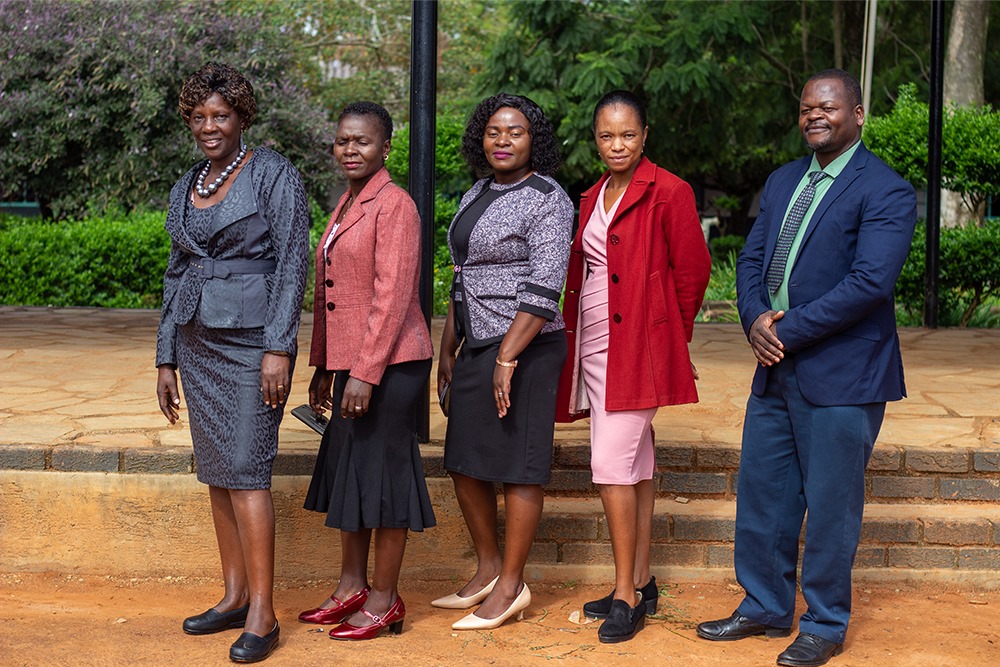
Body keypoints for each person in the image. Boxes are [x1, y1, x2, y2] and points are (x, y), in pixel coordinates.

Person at [696, 69, 916, 667]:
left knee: (830, 503)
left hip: (843, 374)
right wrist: (752, 320)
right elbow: (753, 260)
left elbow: (870, 283)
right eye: (806, 108)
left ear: (859, 115)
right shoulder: (783, 179)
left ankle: (823, 621)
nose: (815, 116)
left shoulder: (886, 190)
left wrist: (785, 329)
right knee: (764, 495)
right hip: (775, 367)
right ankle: (765, 604)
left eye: (829, 107)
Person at [155, 62, 310, 663]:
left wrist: (279, 346)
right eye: (198, 117)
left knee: (246, 468)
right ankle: (233, 595)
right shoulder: (187, 182)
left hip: (251, 344)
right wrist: (165, 355)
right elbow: (176, 272)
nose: (209, 126)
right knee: (217, 471)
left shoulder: (273, 173)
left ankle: (264, 614)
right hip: (195, 340)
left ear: (242, 116)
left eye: (220, 115)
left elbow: (294, 261)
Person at [555, 90, 711, 644]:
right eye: (606, 135)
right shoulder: (591, 195)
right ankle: (641, 581)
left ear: (645, 135)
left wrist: (667, 339)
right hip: (594, 347)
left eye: (627, 134)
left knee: (608, 466)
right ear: (595, 139)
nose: (616, 144)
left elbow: (693, 273)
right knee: (636, 463)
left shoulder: (669, 191)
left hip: (637, 353)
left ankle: (624, 595)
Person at [433, 93, 573, 630]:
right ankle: (488, 567)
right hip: (477, 344)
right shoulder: (478, 191)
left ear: (533, 138)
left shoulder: (548, 199)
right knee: (463, 460)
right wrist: (449, 346)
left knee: (518, 467)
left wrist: (508, 357)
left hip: (528, 347)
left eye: (515, 131)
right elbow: (462, 274)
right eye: (494, 132)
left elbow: (544, 288)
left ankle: (513, 584)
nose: (503, 140)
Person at [299, 101, 435, 641]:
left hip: (391, 365)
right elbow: (332, 294)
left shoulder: (394, 205)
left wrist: (364, 373)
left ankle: (384, 599)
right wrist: (323, 367)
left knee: (384, 481)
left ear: (385, 147)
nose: (350, 149)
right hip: (352, 364)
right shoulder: (348, 202)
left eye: (362, 141)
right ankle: (349, 587)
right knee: (350, 475)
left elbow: (392, 296)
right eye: (342, 141)